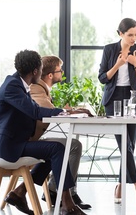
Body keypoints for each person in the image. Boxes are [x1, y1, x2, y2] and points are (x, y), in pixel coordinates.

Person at [0, 49, 89, 215]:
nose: (42, 73)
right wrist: (64, 112)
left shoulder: (18, 83)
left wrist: (65, 112)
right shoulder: (13, 86)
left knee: (55, 150)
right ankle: (67, 202)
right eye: (41, 70)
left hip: (15, 141)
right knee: (57, 149)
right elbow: (34, 112)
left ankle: (20, 193)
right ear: (35, 71)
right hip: (9, 146)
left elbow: (35, 108)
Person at [29, 55, 92, 210]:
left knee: (69, 144)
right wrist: (72, 111)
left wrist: (70, 111)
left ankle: (58, 190)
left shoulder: (43, 89)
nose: (62, 73)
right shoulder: (36, 88)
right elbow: (48, 111)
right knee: (73, 146)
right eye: (60, 70)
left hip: (35, 139)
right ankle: (61, 191)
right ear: (50, 75)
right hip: (29, 142)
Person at [98, 18, 136, 205]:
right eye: (130, 35)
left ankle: (120, 182)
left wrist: (135, 64)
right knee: (124, 144)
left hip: (132, 98)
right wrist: (118, 65)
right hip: (113, 100)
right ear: (120, 34)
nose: (134, 38)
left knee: (130, 146)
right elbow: (103, 78)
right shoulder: (109, 49)